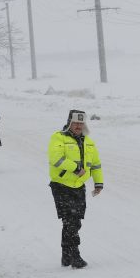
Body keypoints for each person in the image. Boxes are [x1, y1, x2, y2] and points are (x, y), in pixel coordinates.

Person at [48, 110, 103, 269]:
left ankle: (66, 254)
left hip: (79, 186)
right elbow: (55, 158)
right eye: (75, 123)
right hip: (61, 185)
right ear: (69, 123)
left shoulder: (89, 142)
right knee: (71, 221)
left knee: (74, 221)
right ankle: (74, 254)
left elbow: (96, 165)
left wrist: (98, 183)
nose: (78, 126)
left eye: (81, 123)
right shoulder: (58, 137)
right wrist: (75, 168)